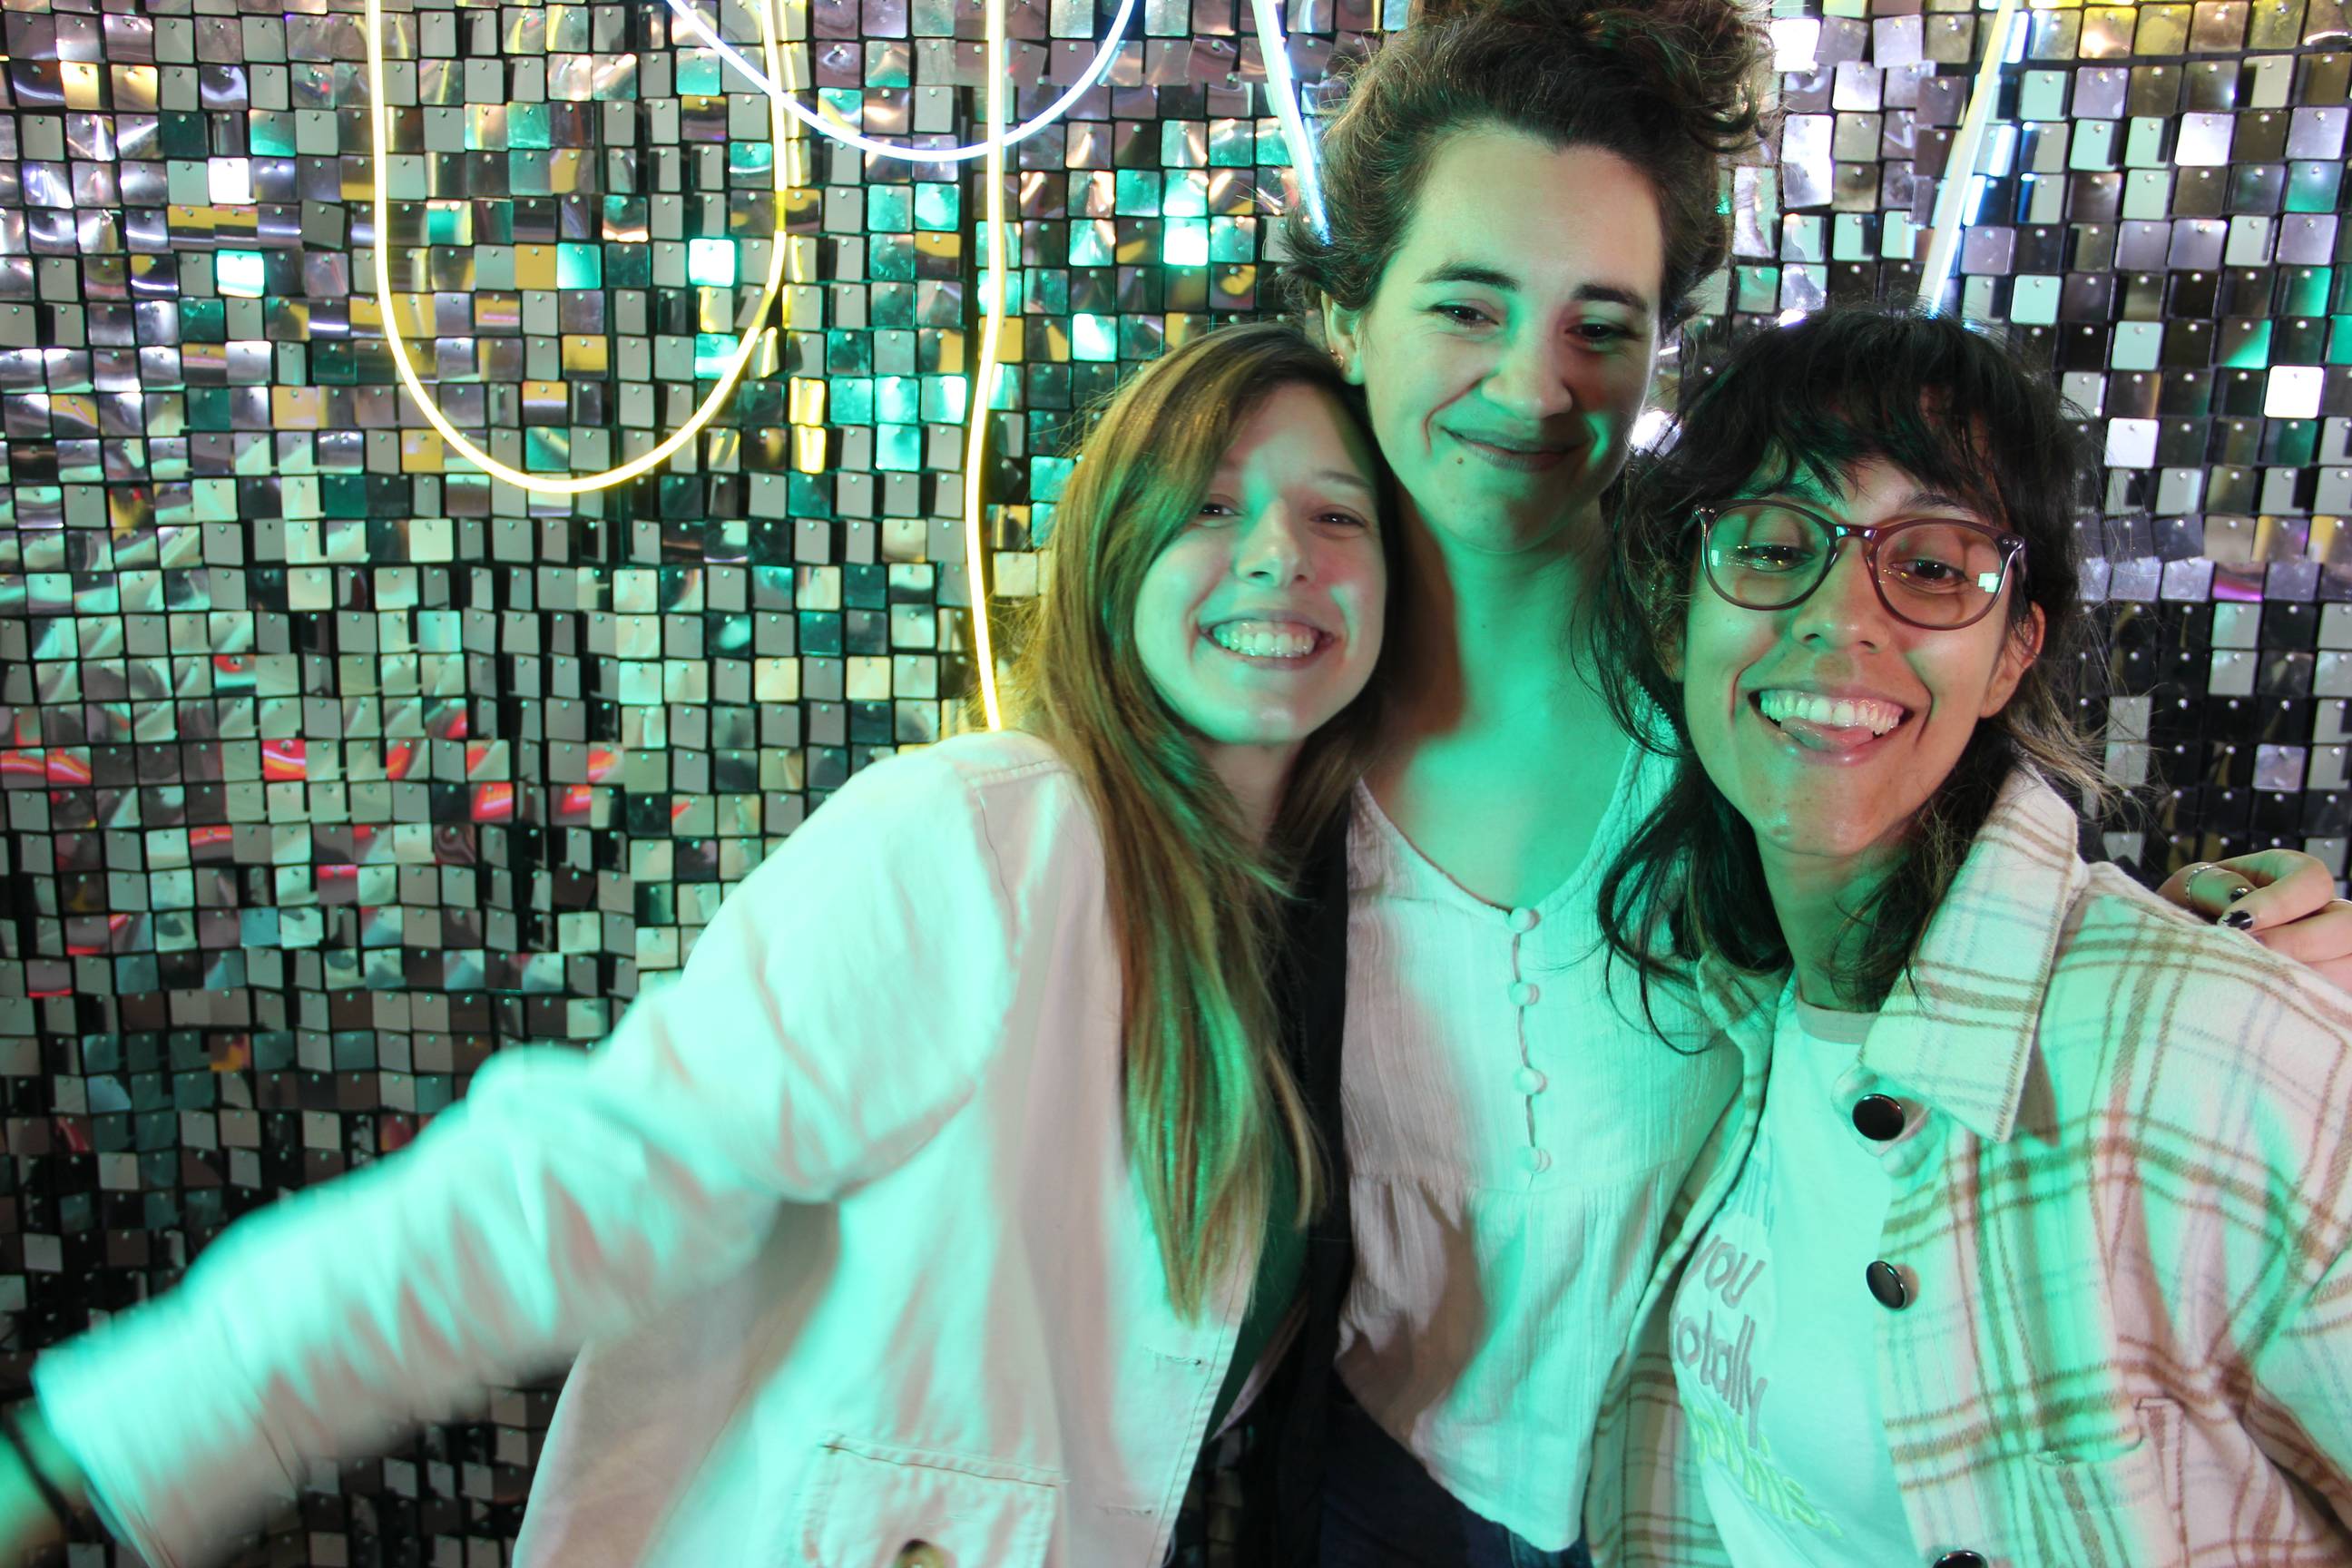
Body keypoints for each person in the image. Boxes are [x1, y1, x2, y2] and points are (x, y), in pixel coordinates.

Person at [0, 320, 1396, 1568]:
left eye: (1337, 516)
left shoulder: (1317, 931)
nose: (1281, 553)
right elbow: (580, 1185)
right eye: (1214, 505)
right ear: (1113, 553)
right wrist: (100, 1446)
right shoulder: (983, 839)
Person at [1273, 2, 2352, 1563]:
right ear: (1350, 316)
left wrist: (2259, 972)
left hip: (1680, 1489)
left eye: (1601, 324)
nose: (1531, 383)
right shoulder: (1268, 705)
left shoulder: (1750, 694)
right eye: (1464, 303)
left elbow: (1997, 920)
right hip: (1372, 1483)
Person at [1592, 304, 2352, 1564]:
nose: (1843, 617)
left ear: (2011, 656)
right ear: (1678, 617)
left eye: (1935, 566)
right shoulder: (1726, 1008)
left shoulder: (2218, 1057)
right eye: (1775, 546)